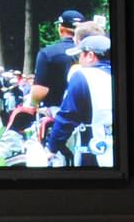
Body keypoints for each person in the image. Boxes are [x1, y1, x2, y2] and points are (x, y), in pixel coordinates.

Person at [47, 32, 115, 167]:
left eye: (80, 55)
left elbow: (67, 117)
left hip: (96, 149)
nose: (79, 60)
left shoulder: (83, 76)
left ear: (90, 55)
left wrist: (52, 148)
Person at [29, 9, 86, 142]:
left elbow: (40, 91)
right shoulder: (93, 53)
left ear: (60, 28)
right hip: (91, 114)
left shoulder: (48, 53)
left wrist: (33, 103)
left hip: (59, 112)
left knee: (57, 155)